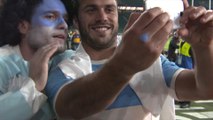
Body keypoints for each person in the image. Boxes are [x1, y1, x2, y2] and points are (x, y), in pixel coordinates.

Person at [45, 0, 213, 119]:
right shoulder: (62, 67)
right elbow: (69, 109)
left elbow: (205, 89)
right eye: (91, 10)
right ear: (76, 21)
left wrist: (204, 47)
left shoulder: (154, 63)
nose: (102, 17)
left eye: (109, 9)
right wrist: (124, 66)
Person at [0, 0, 74, 119]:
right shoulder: (3, 63)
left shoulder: (68, 59)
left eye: (65, 19)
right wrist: (33, 85)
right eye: (50, 17)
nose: (64, 25)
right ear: (23, 26)